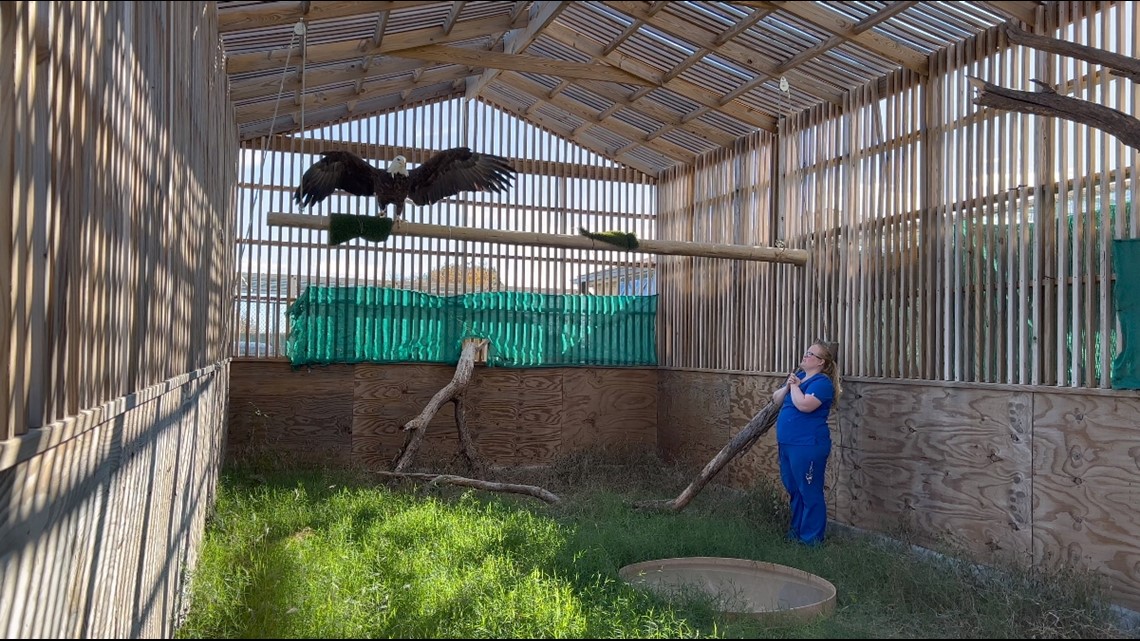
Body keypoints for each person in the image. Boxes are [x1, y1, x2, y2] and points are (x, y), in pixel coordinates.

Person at [771, 341, 841, 546]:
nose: (805, 355)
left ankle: (811, 540)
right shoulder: (800, 378)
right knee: (794, 488)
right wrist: (789, 385)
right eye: (806, 352)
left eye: (810, 354)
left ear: (820, 362)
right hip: (788, 444)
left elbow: (804, 405)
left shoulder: (822, 383)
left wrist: (793, 386)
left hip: (808, 445)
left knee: (809, 491)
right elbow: (776, 399)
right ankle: (796, 532)